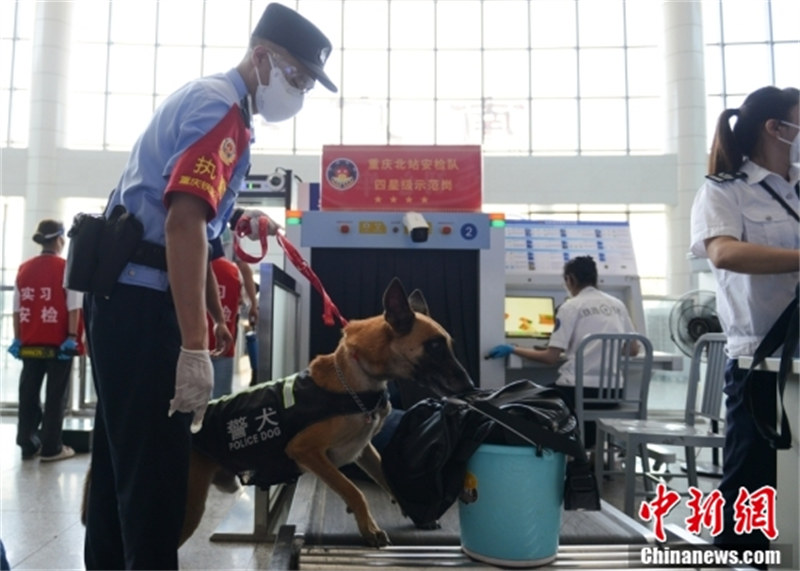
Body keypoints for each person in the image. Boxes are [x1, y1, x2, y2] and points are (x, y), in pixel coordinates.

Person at [81, 4, 337, 569]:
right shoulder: (222, 109)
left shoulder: (209, 100)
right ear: (262, 56)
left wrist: (235, 216)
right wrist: (195, 347)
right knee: (156, 483)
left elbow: (184, 208)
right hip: (145, 307)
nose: (297, 91)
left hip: (120, 302)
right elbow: (181, 221)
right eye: (296, 76)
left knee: (119, 470)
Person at [690, 86, 799, 561]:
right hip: (760, 358)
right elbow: (724, 252)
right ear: (776, 128)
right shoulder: (724, 190)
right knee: (751, 482)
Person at [486, 255, 639, 446]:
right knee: (575, 403)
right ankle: (591, 455)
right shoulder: (618, 305)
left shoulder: (570, 306)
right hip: (613, 393)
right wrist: (603, 351)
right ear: (595, 277)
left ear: (570, 279)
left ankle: (552, 455)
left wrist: (514, 348)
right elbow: (633, 349)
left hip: (578, 391)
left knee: (526, 400)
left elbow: (550, 357)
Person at [8, 219, 83, 462]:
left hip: (30, 343)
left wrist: (19, 339)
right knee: (55, 396)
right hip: (59, 344)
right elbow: (73, 306)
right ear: (60, 239)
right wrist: (72, 337)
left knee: (28, 394)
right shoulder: (65, 267)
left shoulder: (24, 269)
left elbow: (17, 309)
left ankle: (27, 443)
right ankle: (52, 447)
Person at [207, 252, 243, 398]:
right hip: (224, 345)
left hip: (192, 345)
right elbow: (239, 302)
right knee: (222, 403)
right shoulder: (233, 270)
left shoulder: (191, 262)